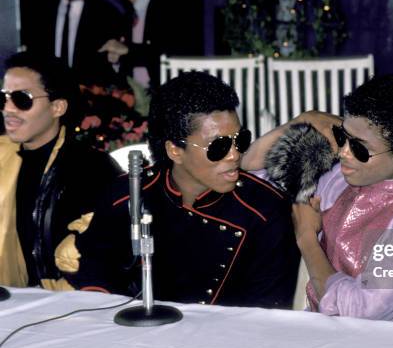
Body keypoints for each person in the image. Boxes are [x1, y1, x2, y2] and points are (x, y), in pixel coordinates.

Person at [55, 71, 301, 308]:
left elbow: (267, 310)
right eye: (219, 146)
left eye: (241, 140)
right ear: (175, 150)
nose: (235, 154)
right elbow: (93, 267)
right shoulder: (129, 195)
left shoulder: (265, 210)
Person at [242, 75, 393, 321]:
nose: (343, 152)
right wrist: (304, 120)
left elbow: (358, 310)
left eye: (360, 147)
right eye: (342, 137)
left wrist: (307, 239)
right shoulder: (339, 177)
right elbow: (252, 175)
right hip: (323, 334)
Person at [0, 52, 121, 290]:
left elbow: (106, 258)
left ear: (58, 107)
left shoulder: (94, 170)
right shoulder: (2, 157)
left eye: (22, 99)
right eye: (2, 98)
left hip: (68, 307)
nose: (8, 109)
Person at [98, 0, 204, 88]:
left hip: (171, 99)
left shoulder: (179, 0)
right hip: (135, 101)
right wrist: (117, 60)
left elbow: (177, 54)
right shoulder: (126, 11)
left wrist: (129, 50)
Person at [20, 0, 125, 85]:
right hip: (45, 91)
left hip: (86, 96)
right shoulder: (38, 7)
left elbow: (111, 66)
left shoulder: (107, 13)